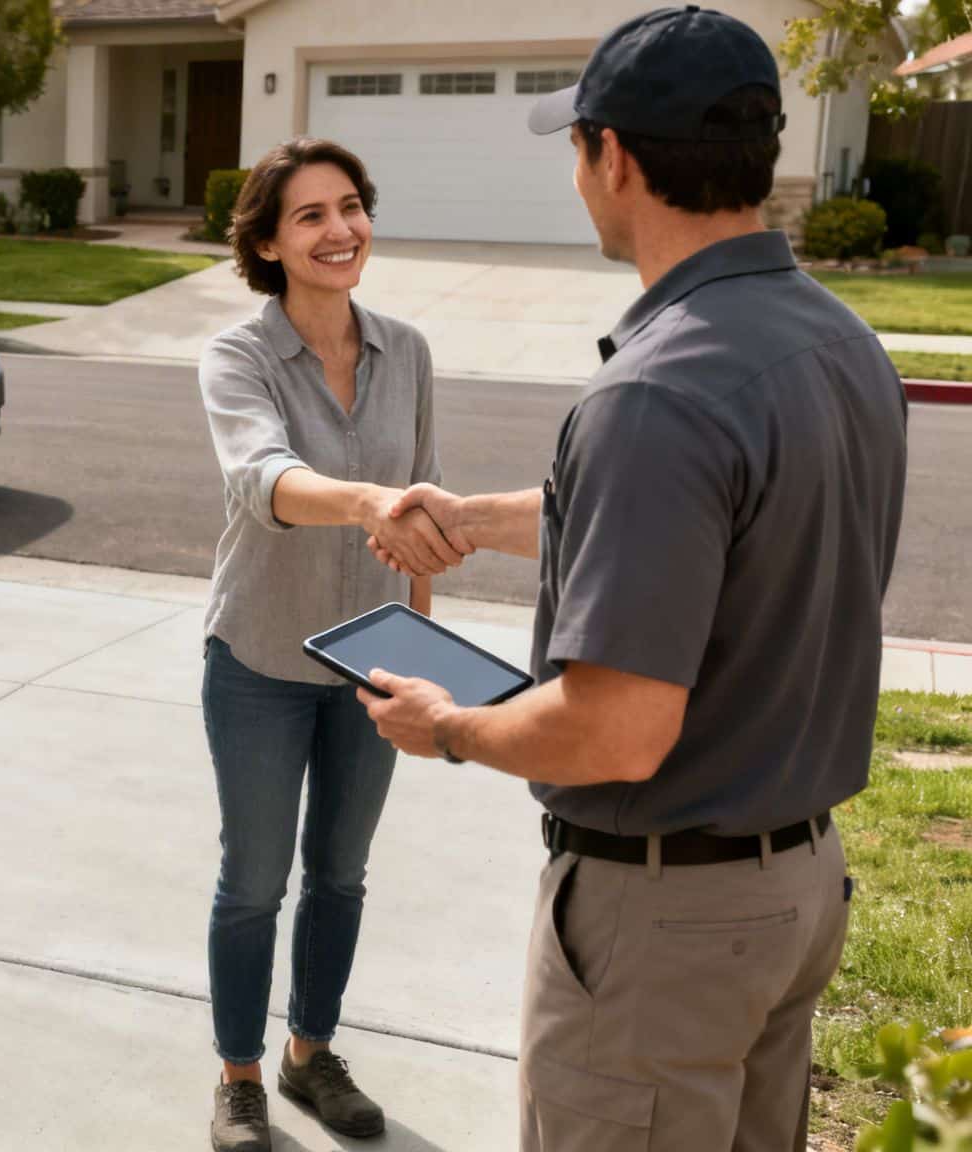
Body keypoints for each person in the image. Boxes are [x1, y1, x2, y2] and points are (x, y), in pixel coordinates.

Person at [356, 7, 908, 1150]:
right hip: (793, 889)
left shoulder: (652, 396)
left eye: (574, 144)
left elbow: (613, 734)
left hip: (664, 925)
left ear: (611, 157)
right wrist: (464, 520)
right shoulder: (839, 345)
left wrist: (449, 725)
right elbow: (693, 526)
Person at [197, 136, 463, 1152]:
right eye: (308, 215)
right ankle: (237, 1078)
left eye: (349, 207)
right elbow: (259, 481)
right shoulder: (236, 356)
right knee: (254, 881)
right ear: (266, 242)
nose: (338, 230)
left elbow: (425, 508)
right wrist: (365, 500)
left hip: (375, 662)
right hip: (260, 661)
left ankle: (311, 1056)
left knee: (341, 875)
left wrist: (423, 651)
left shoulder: (408, 349)